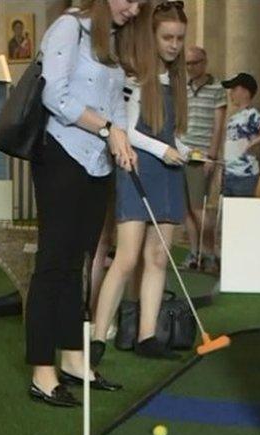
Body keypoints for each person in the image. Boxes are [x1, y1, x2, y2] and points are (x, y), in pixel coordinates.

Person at [25, 0, 143, 407]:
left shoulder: (110, 41)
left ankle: (74, 360)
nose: (135, 8)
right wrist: (108, 128)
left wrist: (121, 138)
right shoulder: (67, 28)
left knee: (80, 263)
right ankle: (43, 371)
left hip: (97, 162)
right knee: (53, 262)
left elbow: (118, 103)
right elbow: (54, 96)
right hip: (61, 154)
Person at [91, 0, 190, 365]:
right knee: (127, 257)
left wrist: (184, 150)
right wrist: (164, 150)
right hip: (137, 168)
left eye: (179, 38)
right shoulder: (136, 78)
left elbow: (172, 133)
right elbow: (128, 131)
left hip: (168, 174)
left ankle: (148, 335)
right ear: (152, 37)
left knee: (158, 258)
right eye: (167, 37)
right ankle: (98, 336)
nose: (174, 45)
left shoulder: (175, 82)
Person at [181, 46, 226, 270]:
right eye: (187, 64)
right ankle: (194, 253)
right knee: (185, 209)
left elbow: (219, 125)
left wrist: (212, 155)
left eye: (194, 63)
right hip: (181, 153)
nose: (190, 68)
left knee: (199, 208)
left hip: (201, 155)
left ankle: (210, 252)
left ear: (204, 62)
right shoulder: (183, 88)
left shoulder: (217, 88)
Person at [220, 72, 260, 197]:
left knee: (241, 210)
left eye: (234, 89)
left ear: (245, 92)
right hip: (229, 173)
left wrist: (253, 143)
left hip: (244, 174)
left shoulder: (251, 114)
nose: (231, 93)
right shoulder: (233, 118)